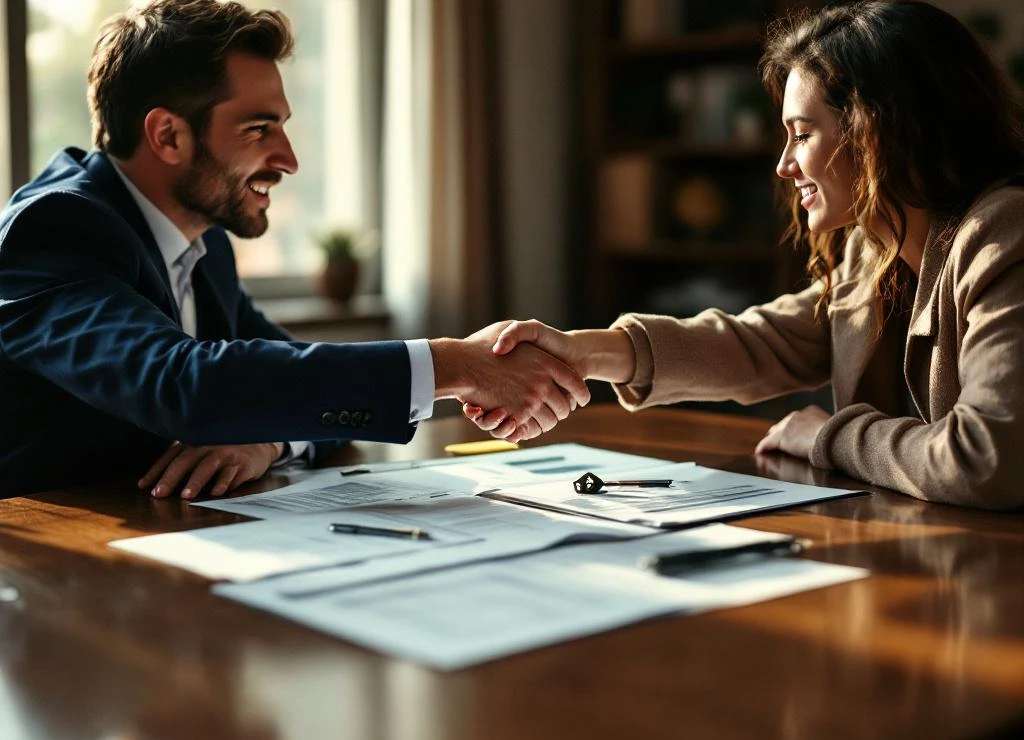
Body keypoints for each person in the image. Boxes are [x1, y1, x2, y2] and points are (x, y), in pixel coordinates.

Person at [0, 0, 588, 500]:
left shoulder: (201, 244)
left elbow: (288, 377)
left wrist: (268, 437)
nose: (288, 160)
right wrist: (457, 365)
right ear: (168, 135)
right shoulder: (56, 228)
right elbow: (186, 386)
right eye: (259, 129)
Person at [467, 0, 1024, 510]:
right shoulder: (873, 251)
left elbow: (988, 458)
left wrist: (826, 437)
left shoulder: (1003, 232)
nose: (783, 166)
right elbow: (761, 342)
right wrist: (581, 353)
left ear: (876, 133)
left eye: (801, 134)